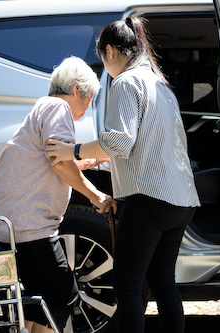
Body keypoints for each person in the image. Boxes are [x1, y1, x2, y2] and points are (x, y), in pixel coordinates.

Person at [46, 16, 200, 333]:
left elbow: (120, 140)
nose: (105, 67)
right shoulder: (161, 85)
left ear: (111, 51)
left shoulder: (126, 82)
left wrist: (71, 150)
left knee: (127, 286)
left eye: (103, 58)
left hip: (148, 200)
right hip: (181, 200)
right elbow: (149, 146)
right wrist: (97, 160)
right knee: (163, 282)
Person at [0, 56, 116, 333]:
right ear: (77, 89)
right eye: (89, 98)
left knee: (38, 299)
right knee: (62, 294)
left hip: (14, 221)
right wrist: (96, 196)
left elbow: (48, 159)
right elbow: (59, 163)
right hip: (29, 225)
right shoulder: (58, 107)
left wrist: (82, 163)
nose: (87, 107)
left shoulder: (43, 107)